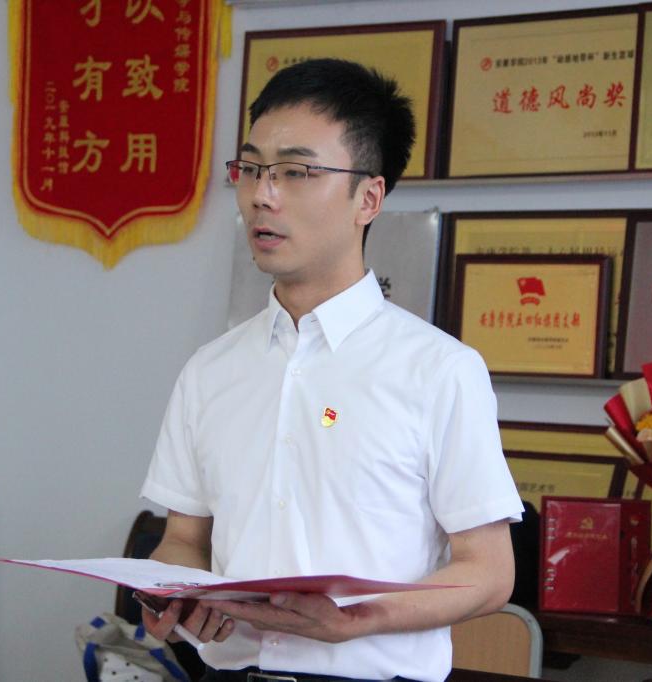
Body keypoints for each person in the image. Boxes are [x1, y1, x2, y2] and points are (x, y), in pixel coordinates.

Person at [140, 58, 523, 682]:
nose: (262, 195)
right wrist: (175, 595)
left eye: (296, 172)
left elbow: (488, 573)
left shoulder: (439, 370)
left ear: (367, 198)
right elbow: (183, 539)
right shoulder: (210, 370)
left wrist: (357, 620)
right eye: (251, 169)